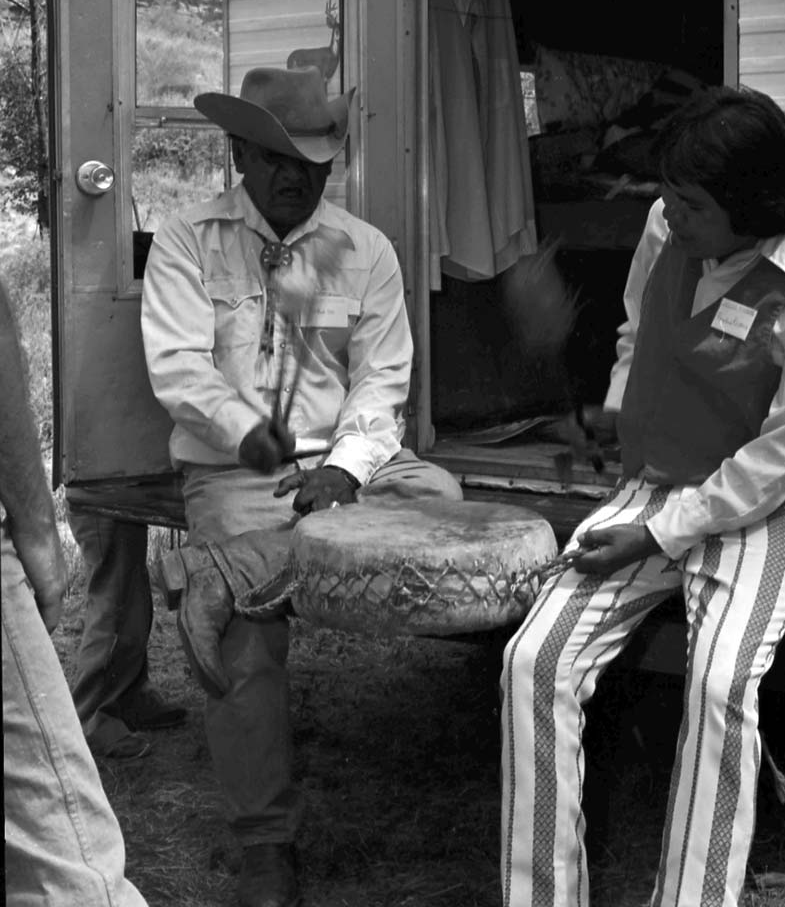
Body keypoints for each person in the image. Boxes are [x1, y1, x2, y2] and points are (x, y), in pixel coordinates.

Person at [500, 85, 785, 907]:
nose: (670, 213)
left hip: (771, 507)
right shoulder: (667, 224)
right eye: (665, 193)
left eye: (691, 202)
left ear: (755, 205)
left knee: (717, 685)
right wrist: (621, 409)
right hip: (658, 481)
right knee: (533, 659)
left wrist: (658, 536)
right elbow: (638, 328)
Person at [141, 66, 462, 907]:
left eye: (317, 161)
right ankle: (265, 846)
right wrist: (249, 433)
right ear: (240, 153)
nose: (299, 177)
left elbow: (382, 383)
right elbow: (178, 369)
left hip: (346, 463)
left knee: (446, 508)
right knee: (248, 643)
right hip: (238, 465)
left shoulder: (368, 250)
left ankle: (231, 571)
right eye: (280, 160)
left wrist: (344, 470)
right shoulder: (187, 237)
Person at [1, 277, 149, 907]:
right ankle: (94, 710)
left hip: (105, 457)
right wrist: (35, 526)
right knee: (73, 868)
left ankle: (110, 701)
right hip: (98, 467)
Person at [66, 509, 187, 760]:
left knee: (132, 600)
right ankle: (92, 719)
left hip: (118, 491)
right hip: (100, 491)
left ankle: (130, 698)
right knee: (114, 601)